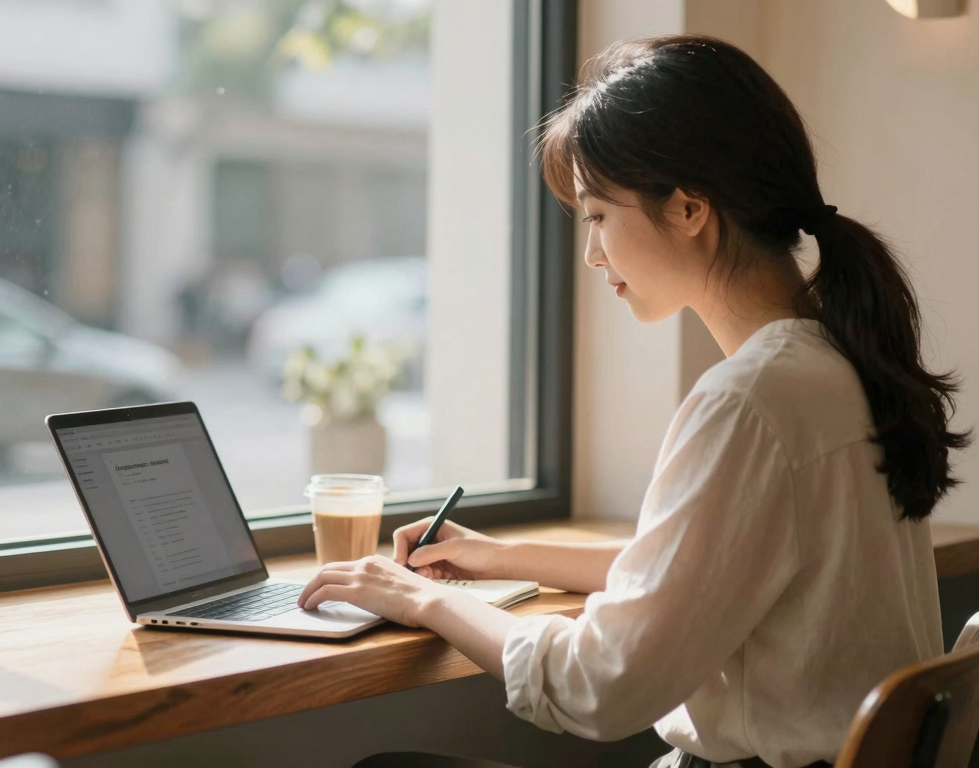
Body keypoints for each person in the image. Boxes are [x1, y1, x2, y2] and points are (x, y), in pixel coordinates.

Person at [297, 34, 969, 768]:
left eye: (596, 216)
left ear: (688, 208)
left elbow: (598, 686)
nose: (591, 254)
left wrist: (423, 601)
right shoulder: (838, 364)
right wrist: (497, 556)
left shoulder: (752, 401)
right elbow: (704, 566)